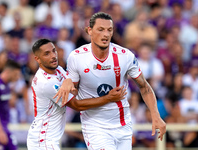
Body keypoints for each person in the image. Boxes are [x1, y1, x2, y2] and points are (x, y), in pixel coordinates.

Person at [55, 12, 166, 150]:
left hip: (123, 124)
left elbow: (144, 87)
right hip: (95, 126)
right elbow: (75, 102)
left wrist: (156, 115)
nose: (106, 34)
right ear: (89, 31)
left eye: (109, 30)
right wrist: (68, 82)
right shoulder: (76, 57)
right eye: (100, 30)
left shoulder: (125, 56)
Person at [27, 38, 126, 150]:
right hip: (42, 140)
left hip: (48, 138)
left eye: (54, 51)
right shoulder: (46, 82)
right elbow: (76, 105)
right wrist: (108, 98)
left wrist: (69, 81)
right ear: (37, 59)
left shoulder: (58, 70)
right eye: (47, 54)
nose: (53, 56)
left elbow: (74, 88)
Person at [0, 60, 21, 150]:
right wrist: (0, 131)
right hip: (0, 129)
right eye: (16, 74)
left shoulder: (6, 86)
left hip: (4, 126)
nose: (18, 77)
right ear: (8, 72)